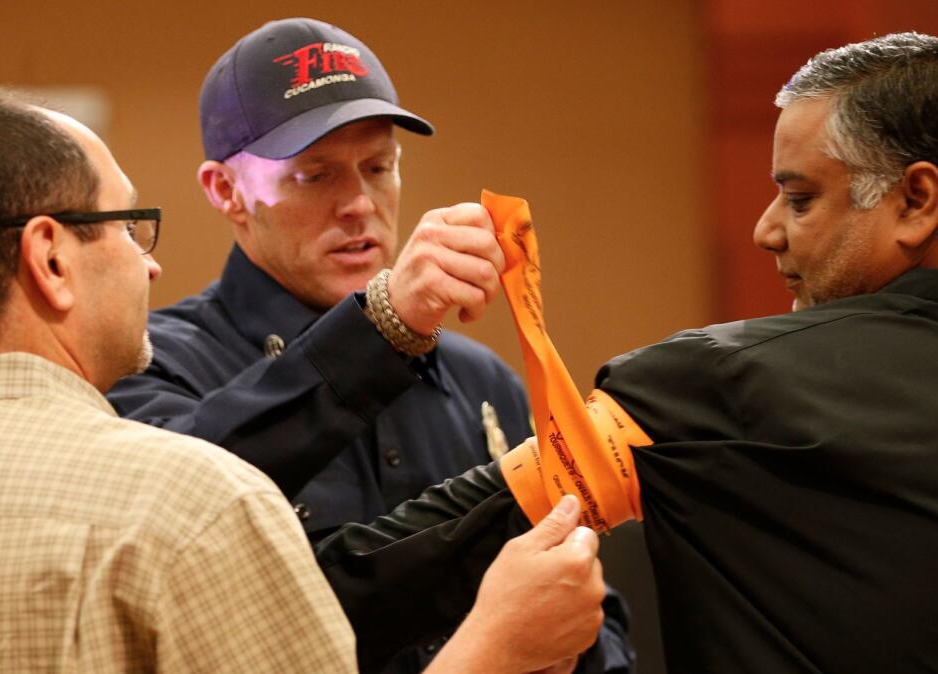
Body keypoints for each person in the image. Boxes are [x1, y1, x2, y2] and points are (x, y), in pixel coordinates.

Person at [0, 86, 607, 673]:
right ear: (52, 260)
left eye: (379, 167)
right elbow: (192, 470)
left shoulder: (484, 380)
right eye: (130, 225)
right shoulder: (191, 482)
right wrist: (493, 651)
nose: (148, 263)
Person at [106, 17, 632, 672]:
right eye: (315, 176)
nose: (359, 203)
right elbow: (177, 502)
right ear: (227, 191)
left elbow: (593, 605)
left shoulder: (481, 381)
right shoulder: (155, 362)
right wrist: (383, 323)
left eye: (378, 167)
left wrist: (569, 650)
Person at [583, 32, 938, 671]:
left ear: (916, 201)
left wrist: (403, 331)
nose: (767, 229)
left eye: (801, 197)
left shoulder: (706, 387)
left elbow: (431, 540)